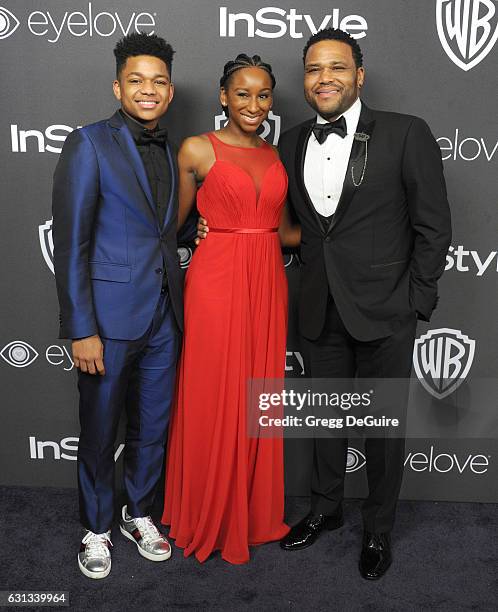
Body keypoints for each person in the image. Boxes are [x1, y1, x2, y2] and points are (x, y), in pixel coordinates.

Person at [199, 29, 451, 579]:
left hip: (387, 309)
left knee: (383, 430)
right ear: (305, 80)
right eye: (313, 70)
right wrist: (209, 226)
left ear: (359, 75)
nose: (325, 78)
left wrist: (416, 301)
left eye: (337, 67)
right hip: (318, 305)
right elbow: (266, 213)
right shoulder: (289, 142)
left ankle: (378, 530)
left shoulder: (407, 133)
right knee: (326, 418)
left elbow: (433, 226)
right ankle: (326, 510)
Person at [52, 32, 183, 579]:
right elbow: (72, 241)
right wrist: (81, 328)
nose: (147, 90)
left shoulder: (172, 150)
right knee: (101, 429)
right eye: (136, 80)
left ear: (170, 91)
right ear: (117, 86)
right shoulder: (89, 143)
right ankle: (97, 528)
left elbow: (160, 232)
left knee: (152, 427)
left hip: (164, 317)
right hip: (106, 322)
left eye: (157, 81)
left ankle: (140, 514)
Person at [161, 54, 294, 564]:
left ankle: (254, 512)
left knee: (258, 398)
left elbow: (283, 233)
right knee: (214, 393)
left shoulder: (276, 154)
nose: (254, 104)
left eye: (263, 95)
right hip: (216, 281)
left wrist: (350, 236)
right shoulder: (198, 148)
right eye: (242, 93)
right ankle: (206, 514)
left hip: (268, 280)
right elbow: (171, 224)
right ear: (223, 96)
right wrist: (194, 228)